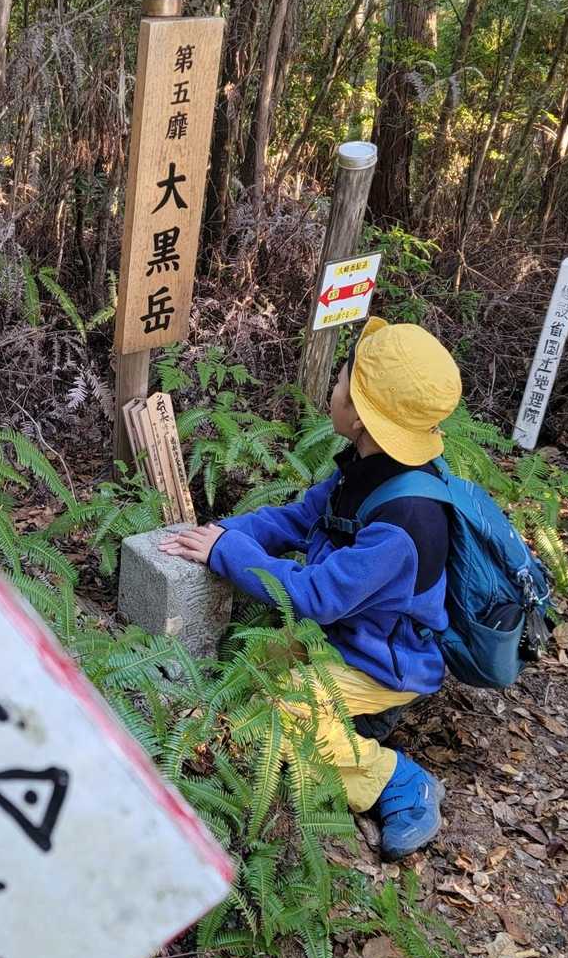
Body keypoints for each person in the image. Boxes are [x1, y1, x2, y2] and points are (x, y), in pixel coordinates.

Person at [160, 318, 461, 860]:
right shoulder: (367, 470)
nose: (334, 386)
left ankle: (397, 780)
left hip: (382, 664)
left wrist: (228, 554)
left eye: (342, 379)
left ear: (360, 416)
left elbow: (315, 596)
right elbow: (299, 519)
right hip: (345, 636)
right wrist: (221, 533)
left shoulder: (405, 520)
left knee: (282, 714)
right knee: (254, 668)